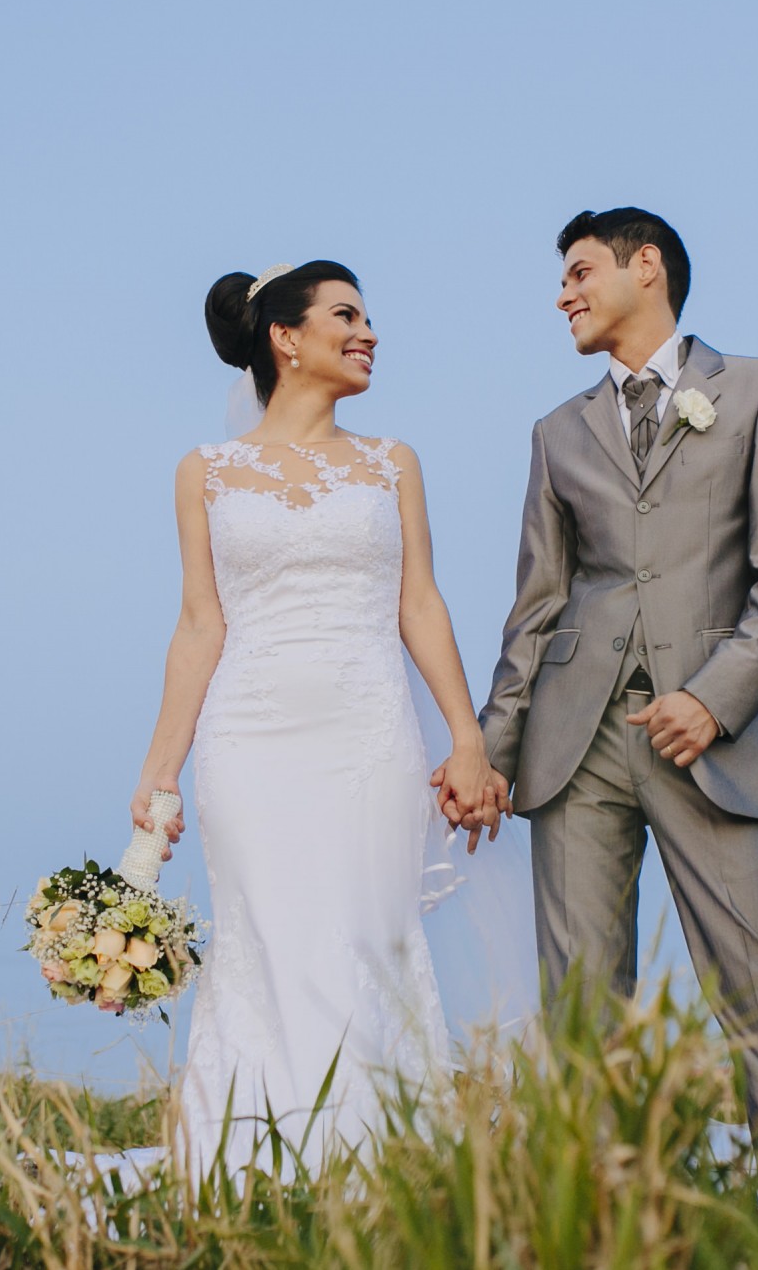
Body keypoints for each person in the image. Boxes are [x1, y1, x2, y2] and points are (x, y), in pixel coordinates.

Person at [456, 207, 758, 1191]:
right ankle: (603, 1213)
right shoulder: (555, 433)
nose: (562, 294)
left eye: (579, 272)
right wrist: (492, 750)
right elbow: (534, 606)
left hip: (711, 740)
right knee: (581, 1005)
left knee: (757, 991)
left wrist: (713, 700)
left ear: (647, 267)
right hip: (572, 747)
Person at [128, 260, 503, 1179]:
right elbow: (199, 624)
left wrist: (466, 737)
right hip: (248, 746)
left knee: (366, 940)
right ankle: (252, 1163)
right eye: (347, 315)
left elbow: (420, 603)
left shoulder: (392, 462)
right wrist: (159, 772)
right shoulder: (205, 473)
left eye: (370, 317)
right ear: (285, 340)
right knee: (271, 938)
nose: (369, 331)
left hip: (370, 738)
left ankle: (376, 1165)